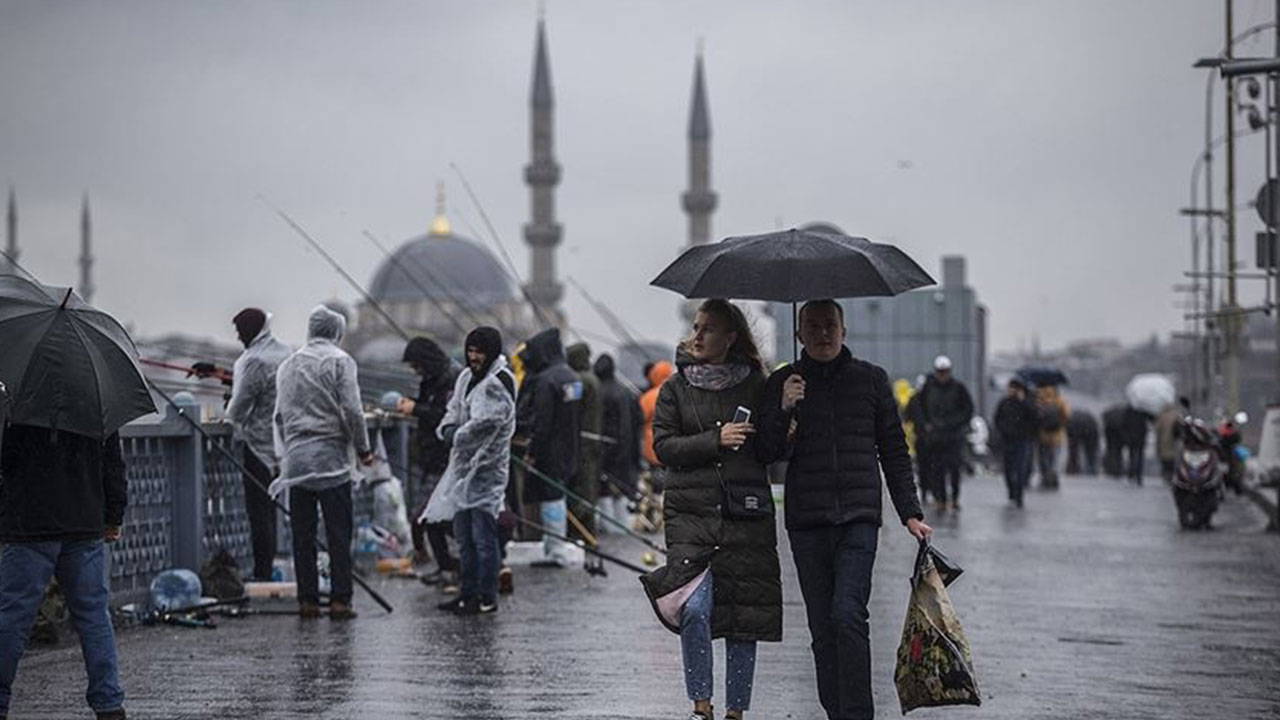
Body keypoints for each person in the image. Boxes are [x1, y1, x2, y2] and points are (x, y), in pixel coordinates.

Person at [755, 299, 930, 720]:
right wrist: (783, 408)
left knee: (848, 615)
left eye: (830, 325)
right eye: (812, 327)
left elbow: (893, 449)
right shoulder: (784, 382)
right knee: (822, 629)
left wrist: (910, 511)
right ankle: (836, 711)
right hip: (807, 520)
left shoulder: (870, 381)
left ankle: (857, 714)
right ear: (799, 336)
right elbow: (766, 452)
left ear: (844, 331)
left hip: (858, 517)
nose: (823, 333)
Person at [640, 299, 782, 720]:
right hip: (690, 513)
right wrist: (714, 440)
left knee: (742, 617)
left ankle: (737, 710)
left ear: (731, 338)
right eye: (697, 327)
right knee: (695, 609)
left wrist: (787, 410)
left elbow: (773, 449)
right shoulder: (675, 388)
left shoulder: (758, 386)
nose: (697, 336)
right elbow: (663, 446)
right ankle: (701, 704)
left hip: (744, 513)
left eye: (709, 329)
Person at [0, 424, 128, 720]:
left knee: (12, 618)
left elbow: (6, 460)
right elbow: (112, 464)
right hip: (84, 523)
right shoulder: (97, 396)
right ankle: (108, 705)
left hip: (28, 524)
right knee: (94, 617)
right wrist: (113, 516)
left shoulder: (18, 397)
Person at [269, 305, 373, 620]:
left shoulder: (288, 365)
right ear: (337, 332)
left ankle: (308, 601)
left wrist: (288, 452)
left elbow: (279, 416)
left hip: (298, 462)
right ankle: (340, 600)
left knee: (302, 534)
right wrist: (363, 448)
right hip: (332, 461)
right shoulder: (341, 362)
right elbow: (353, 411)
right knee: (338, 532)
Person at [421, 327, 517, 615]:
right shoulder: (465, 377)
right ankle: (467, 593)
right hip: (462, 468)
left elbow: (486, 423)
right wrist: (447, 428)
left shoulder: (499, 381)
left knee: (483, 537)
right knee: (464, 535)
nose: (474, 357)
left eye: (479, 351)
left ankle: (486, 597)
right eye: (471, 351)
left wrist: (456, 435)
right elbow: (453, 410)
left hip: (487, 470)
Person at [225, 307, 291, 581]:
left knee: (259, 514)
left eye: (240, 331)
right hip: (284, 446)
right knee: (273, 512)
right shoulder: (284, 353)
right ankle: (271, 568)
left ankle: (262, 573)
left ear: (251, 330)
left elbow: (239, 409)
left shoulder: (253, 361)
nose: (239, 337)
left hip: (258, 448)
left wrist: (228, 412)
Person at [396, 336, 461, 588]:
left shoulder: (450, 379)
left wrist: (415, 410)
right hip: (431, 456)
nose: (416, 371)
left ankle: (464, 562)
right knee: (430, 517)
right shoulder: (433, 378)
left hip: (445, 457)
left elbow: (445, 417)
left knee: (429, 515)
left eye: (416, 365)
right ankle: (446, 566)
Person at [515, 327, 581, 567]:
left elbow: (542, 423)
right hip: (569, 446)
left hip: (549, 451)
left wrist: (533, 452)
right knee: (559, 495)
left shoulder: (545, 381)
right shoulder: (570, 376)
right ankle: (556, 546)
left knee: (550, 497)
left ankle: (555, 551)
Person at [914, 355, 973, 511]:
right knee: (936, 469)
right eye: (940, 372)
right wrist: (925, 425)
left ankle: (954, 497)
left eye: (945, 372)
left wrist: (955, 424)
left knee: (954, 468)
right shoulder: (928, 388)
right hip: (935, 437)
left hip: (953, 436)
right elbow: (918, 409)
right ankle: (940, 498)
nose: (942, 375)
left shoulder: (959, 388)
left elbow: (967, 410)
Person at [594, 353, 643, 533]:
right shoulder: (627, 392)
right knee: (622, 493)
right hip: (628, 451)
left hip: (606, 451)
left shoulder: (599, 392)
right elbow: (638, 420)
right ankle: (623, 530)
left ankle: (611, 531)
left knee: (604, 492)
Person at [566, 342, 603, 537]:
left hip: (582, 441)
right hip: (593, 438)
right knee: (590, 486)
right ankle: (589, 529)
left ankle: (582, 530)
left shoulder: (580, 381)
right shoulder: (593, 379)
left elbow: (571, 409)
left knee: (582, 486)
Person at [993, 378, 1038, 508]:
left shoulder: (1026, 403)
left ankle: (1019, 495)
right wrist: (1002, 431)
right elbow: (997, 418)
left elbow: (1035, 417)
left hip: (1022, 440)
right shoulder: (1004, 403)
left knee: (1020, 469)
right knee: (1008, 469)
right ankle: (1012, 491)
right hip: (1007, 440)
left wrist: (1023, 401)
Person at [1034, 385, 1069, 488]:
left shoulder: (1039, 399)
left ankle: (1045, 477)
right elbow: (1066, 415)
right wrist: (1060, 423)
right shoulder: (1059, 400)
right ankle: (1053, 477)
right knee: (1054, 458)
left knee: (1043, 457)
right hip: (1057, 435)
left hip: (1042, 434)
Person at [1119, 405, 1151, 485]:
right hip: (1140, 438)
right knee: (1140, 457)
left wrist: (1126, 437)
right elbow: (1148, 422)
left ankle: (1131, 474)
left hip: (1131, 439)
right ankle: (1138, 476)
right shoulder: (1142, 412)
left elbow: (1123, 425)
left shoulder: (1128, 412)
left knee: (1132, 456)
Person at [1155, 400, 1184, 484]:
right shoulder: (1176, 415)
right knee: (1173, 459)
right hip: (1174, 441)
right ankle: (1171, 476)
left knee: (1165, 460)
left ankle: (1166, 477)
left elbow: (1157, 429)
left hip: (1164, 441)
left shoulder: (1162, 416)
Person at [1065, 409, 1100, 476]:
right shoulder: (1091, 419)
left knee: (1073, 452)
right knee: (1091, 452)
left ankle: (1073, 470)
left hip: (1074, 426)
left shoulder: (1071, 418)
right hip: (1090, 426)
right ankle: (1092, 470)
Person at [1101, 404, 1127, 478]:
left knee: (1111, 453)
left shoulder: (1108, 423)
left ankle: (1111, 469)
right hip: (1119, 441)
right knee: (1118, 454)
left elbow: (1106, 433)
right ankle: (1118, 469)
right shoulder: (1121, 422)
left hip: (1111, 442)